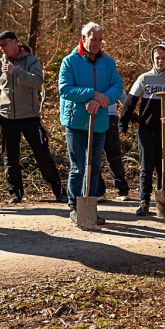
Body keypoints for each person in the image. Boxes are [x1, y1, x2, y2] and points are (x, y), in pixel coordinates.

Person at [0, 31, 67, 204]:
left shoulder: (31, 61)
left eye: (5, 44)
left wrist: (16, 71)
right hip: (6, 119)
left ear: (16, 42)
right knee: (10, 158)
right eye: (0, 45)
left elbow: (37, 82)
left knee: (42, 155)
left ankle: (59, 191)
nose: (2, 48)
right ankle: (15, 193)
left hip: (30, 117)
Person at [58, 22, 123, 224]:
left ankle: (90, 206)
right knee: (78, 167)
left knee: (94, 166)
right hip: (76, 122)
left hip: (99, 122)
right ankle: (74, 206)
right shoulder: (69, 62)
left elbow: (117, 85)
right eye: (93, 39)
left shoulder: (108, 62)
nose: (96, 43)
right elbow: (65, 89)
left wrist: (102, 98)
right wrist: (91, 94)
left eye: (99, 39)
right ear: (84, 39)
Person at [120, 45, 165, 216]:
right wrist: (124, 122)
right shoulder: (144, 78)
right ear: (152, 59)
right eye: (157, 58)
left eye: (163, 58)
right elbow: (130, 101)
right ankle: (144, 201)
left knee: (162, 167)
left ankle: (161, 202)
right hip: (146, 130)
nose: (160, 61)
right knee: (146, 167)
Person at [96, 92, 131, 202]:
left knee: (113, 153)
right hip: (92, 113)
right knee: (93, 154)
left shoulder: (112, 74)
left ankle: (122, 189)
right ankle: (97, 191)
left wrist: (130, 113)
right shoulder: (84, 75)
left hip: (110, 115)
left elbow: (120, 93)